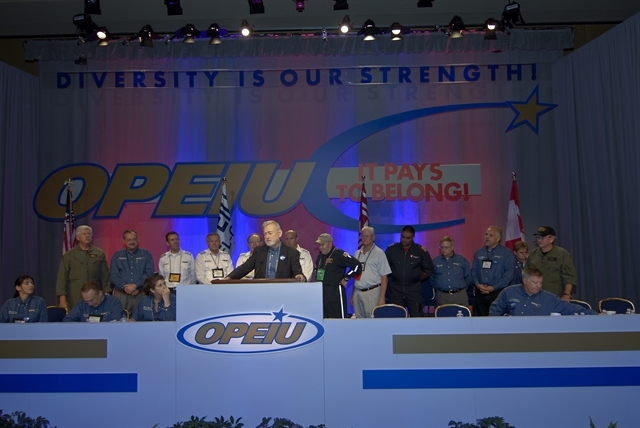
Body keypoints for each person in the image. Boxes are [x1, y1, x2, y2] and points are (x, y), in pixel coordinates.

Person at [490, 267, 597, 316]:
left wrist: (596, 315)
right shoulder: (509, 292)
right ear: (525, 281)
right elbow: (495, 311)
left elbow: (570, 308)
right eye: (535, 282)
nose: (539, 286)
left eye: (541, 282)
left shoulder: (549, 298)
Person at [227, 221, 306, 281]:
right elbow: (245, 267)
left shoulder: (291, 252)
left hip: (282, 291)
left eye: (270, 233)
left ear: (279, 233)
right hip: (261, 290)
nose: (267, 237)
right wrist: (229, 277)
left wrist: (299, 276)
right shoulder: (259, 251)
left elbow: (297, 272)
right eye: (265, 234)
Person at [55, 225, 111, 310]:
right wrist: (62, 297)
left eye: (89, 234)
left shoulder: (99, 253)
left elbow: (105, 275)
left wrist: (107, 292)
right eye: (84, 234)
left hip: (94, 293)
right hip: (75, 293)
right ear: (78, 237)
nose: (87, 236)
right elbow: (62, 277)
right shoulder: (69, 255)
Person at [385, 225, 434, 317]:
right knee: (395, 317)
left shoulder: (420, 251)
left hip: (414, 290)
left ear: (413, 237)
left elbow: (429, 270)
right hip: (396, 289)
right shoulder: (392, 250)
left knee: (418, 316)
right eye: (402, 237)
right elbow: (384, 268)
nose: (404, 240)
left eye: (408, 238)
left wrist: (416, 277)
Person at [315, 233, 362, 319]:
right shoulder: (320, 256)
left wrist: (346, 278)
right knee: (324, 318)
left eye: (322, 244)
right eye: (319, 245)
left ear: (330, 243)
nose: (320, 247)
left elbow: (357, 266)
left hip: (335, 291)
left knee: (338, 318)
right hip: (322, 291)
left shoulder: (339, 254)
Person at [471, 226, 516, 316]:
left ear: (498, 239)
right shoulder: (478, 253)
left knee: (497, 320)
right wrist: (478, 284)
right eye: (486, 234)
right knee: (479, 321)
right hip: (480, 292)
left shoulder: (507, 254)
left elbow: (508, 276)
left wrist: (493, 288)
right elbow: (473, 271)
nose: (487, 237)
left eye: (491, 235)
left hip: (498, 293)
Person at [526, 226, 578, 301]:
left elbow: (569, 277)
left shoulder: (562, 254)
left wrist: (566, 294)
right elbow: (526, 275)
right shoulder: (533, 254)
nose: (539, 240)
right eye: (538, 237)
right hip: (535, 296)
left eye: (542, 238)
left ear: (551, 239)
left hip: (555, 296)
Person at [110, 229, 154, 315]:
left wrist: (135, 285)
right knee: (119, 319)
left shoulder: (146, 254)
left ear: (138, 239)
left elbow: (149, 273)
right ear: (124, 241)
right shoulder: (117, 256)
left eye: (134, 239)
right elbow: (113, 275)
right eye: (129, 240)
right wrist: (125, 287)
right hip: (121, 295)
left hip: (140, 294)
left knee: (142, 319)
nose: (132, 242)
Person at [351, 227, 391, 318]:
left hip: (372, 292)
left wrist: (382, 297)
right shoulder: (357, 253)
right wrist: (353, 293)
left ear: (373, 237)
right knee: (359, 320)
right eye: (362, 236)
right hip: (358, 291)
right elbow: (355, 274)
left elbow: (384, 277)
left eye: (367, 236)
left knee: (372, 320)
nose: (364, 238)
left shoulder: (379, 253)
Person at [430, 236, 472, 307]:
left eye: (446, 247)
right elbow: (432, 278)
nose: (444, 249)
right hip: (442, 296)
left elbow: (468, 277)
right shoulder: (435, 261)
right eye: (442, 247)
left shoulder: (461, 260)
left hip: (460, 296)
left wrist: (461, 289)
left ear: (452, 247)